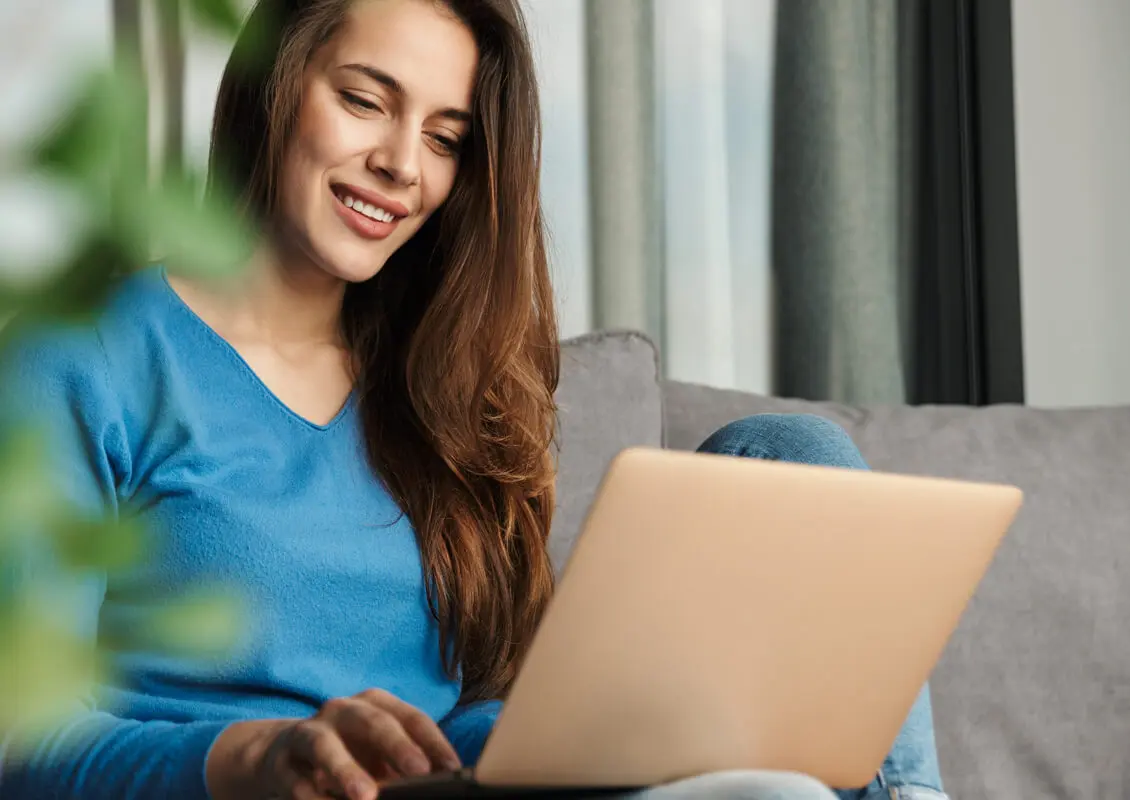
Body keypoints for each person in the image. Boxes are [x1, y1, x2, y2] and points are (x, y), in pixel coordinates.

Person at [0, 1, 949, 798]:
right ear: (275, 87)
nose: (402, 165)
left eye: (445, 138)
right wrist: (251, 756)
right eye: (366, 100)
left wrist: (583, 718)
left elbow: (471, 714)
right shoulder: (84, 354)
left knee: (792, 456)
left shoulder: (441, 389)